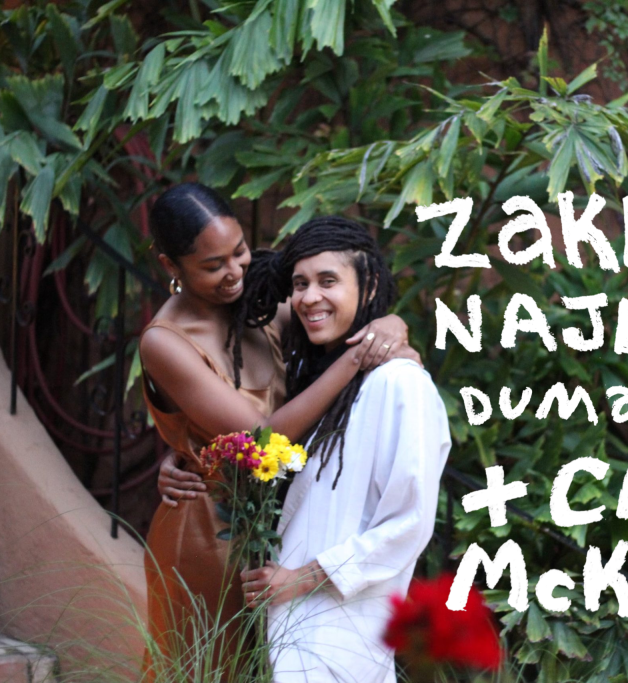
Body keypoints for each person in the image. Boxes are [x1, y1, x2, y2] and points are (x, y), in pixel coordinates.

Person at [138, 185, 418, 681]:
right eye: (212, 265)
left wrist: (390, 324)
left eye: (239, 251)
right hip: (209, 534)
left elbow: (333, 317)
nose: (235, 273)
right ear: (170, 266)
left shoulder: (258, 303)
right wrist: (359, 358)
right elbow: (261, 439)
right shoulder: (165, 342)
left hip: (279, 524)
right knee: (209, 669)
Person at [238, 216, 451, 683]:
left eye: (327, 281)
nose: (310, 296)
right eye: (300, 284)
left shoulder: (400, 384)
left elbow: (408, 524)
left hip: (342, 633)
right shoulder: (313, 376)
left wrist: (301, 579)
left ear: (369, 282)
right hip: (295, 631)